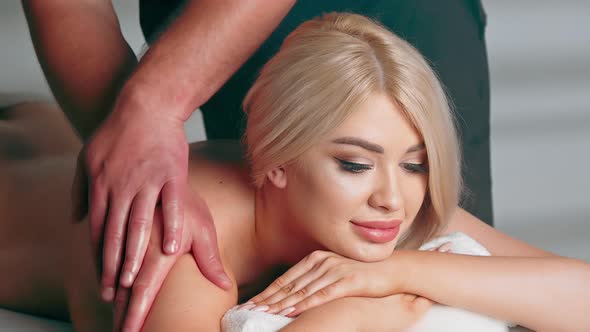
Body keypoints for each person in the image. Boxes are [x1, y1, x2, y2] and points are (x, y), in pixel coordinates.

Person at [2, 13, 589, 332]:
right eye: (354, 163)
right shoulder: (182, 245)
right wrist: (367, 311)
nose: (393, 198)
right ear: (274, 156)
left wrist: (404, 271)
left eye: (417, 163)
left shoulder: (387, 204)